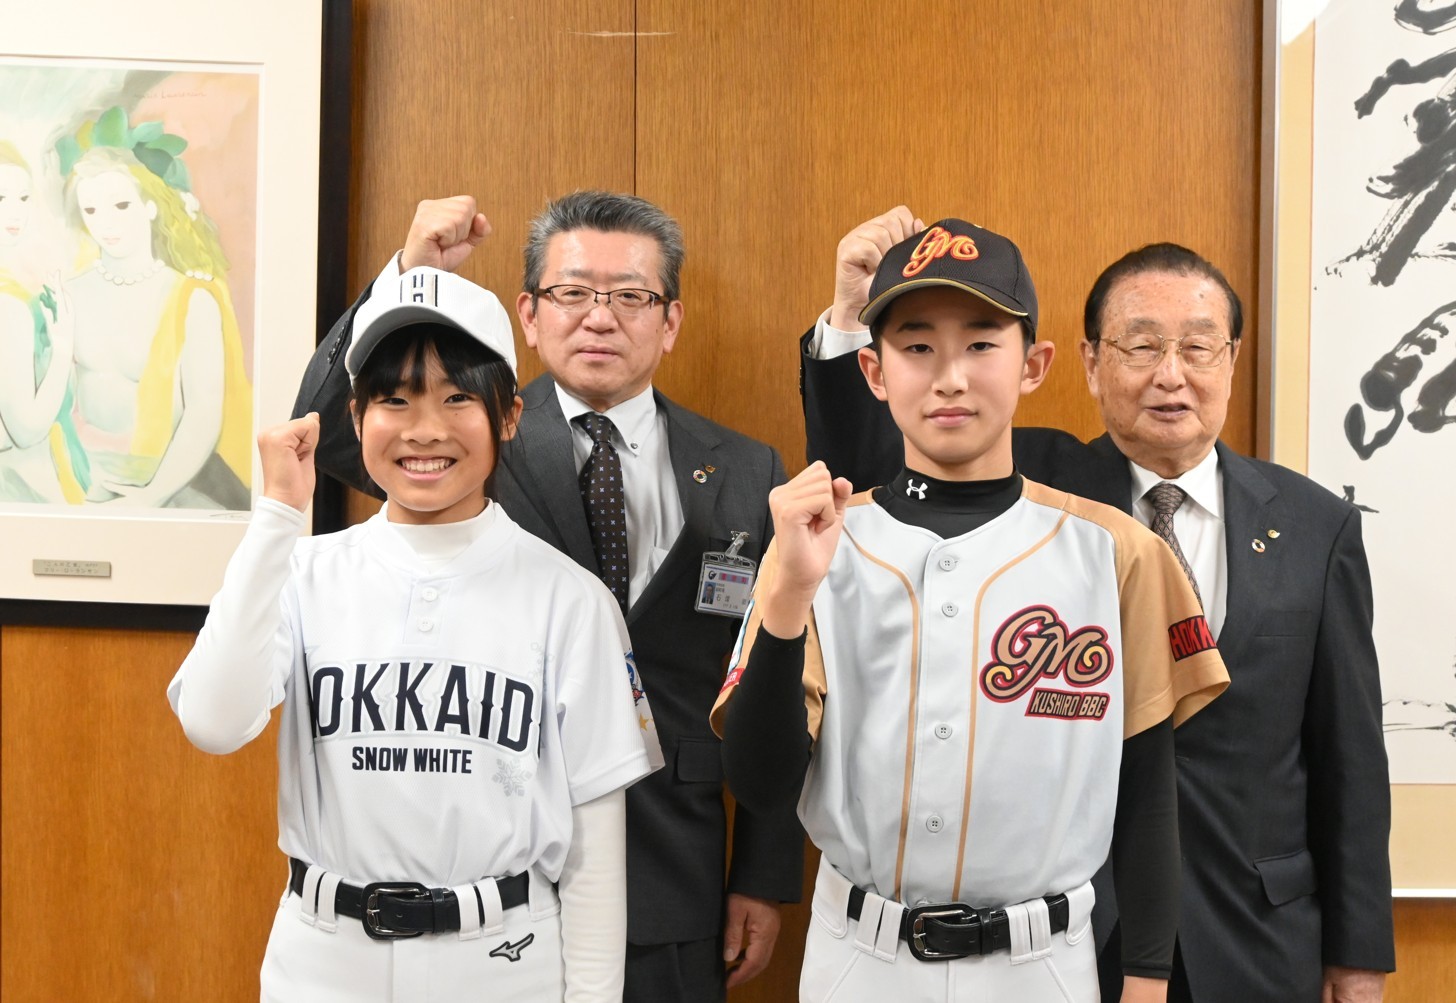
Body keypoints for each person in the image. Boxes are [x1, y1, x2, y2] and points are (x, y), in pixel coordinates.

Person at [800, 207, 1395, 1002]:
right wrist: (850, 317)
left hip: (1255, 930)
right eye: (1140, 346)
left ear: (1232, 358)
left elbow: (1348, 756)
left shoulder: (1316, 526)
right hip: (1078, 929)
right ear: (1085, 362)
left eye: (1197, 346)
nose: (1169, 374)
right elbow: (868, 478)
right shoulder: (1032, 492)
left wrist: (1358, 957)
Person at [293, 193, 805, 1001]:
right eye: (571, 292)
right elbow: (323, 424)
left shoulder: (747, 468)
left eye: (630, 295)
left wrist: (762, 873)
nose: (599, 317)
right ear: (529, 314)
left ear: (669, 321)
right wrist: (409, 273)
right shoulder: (467, 434)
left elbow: (772, 674)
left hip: (676, 871)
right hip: (493, 873)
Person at [714, 217, 1229, 1002]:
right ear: (874, 370)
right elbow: (758, 782)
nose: (949, 376)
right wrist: (787, 595)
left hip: (1044, 963)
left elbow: (1148, 790)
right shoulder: (817, 542)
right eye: (917, 346)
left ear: (1033, 363)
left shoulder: (1116, 551)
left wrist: (1146, 979)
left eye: (981, 343)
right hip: (858, 956)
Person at [169, 263, 658, 1001]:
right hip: (324, 959)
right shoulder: (302, 572)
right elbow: (211, 722)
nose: (424, 429)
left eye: (457, 397)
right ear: (356, 417)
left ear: (509, 416)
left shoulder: (571, 600)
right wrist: (276, 518)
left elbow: (594, 854)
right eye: (394, 399)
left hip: (501, 959)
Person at [58, 106, 252, 509]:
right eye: (91, 210)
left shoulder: (192, 299)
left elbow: (203, 413)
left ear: (149, 206)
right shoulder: (68, 293)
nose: (105, 223)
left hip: (168, 485)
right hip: (78, 483)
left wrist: (150, 498)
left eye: (120, 205)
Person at [0, 141, 88, 503]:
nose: (15, 213)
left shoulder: (17, 287)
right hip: (18, 485)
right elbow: (28, 430)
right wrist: (63, 344)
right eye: (0, 198)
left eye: (23, 197)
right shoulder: (9, 306)